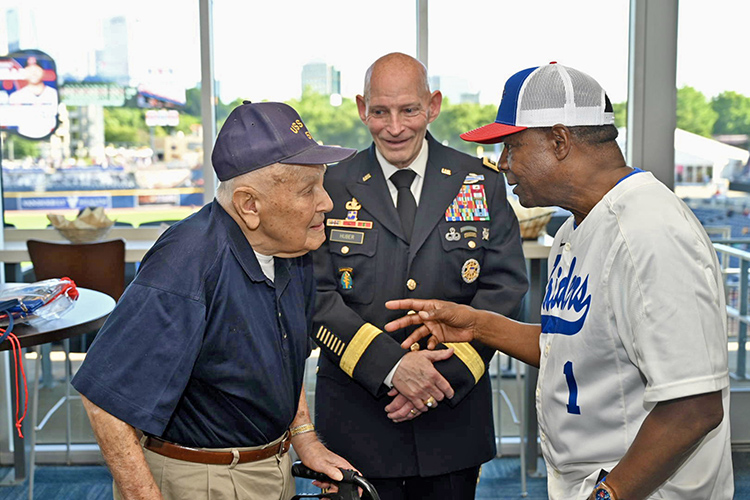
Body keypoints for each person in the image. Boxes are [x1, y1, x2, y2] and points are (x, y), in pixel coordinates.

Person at [384, 63, 734, 500]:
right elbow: (569, 344)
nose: (504, 165)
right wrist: (478, 325)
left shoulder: (650, 231)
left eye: (512, 147)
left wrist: (607, 495)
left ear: (560, 140)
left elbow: (693, 407)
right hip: (587, 480)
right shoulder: (574, 230)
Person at [72, 101, 359, 500]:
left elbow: (282, 356)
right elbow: (104, 400)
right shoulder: (187, 260)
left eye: (322, 184)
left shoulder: (293, 249)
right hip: (202, 481)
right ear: (249, 205)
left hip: (271, 468)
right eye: (309, 190)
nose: (326, 202)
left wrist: (305, 440)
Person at [311, 52, 528, 500]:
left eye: (409, 110)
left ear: (433, 105)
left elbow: (504, 291)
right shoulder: (330, 186)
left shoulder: (479, 182)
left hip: (452, 422)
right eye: (380, 112)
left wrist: (438, 381)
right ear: (360, 108)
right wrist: (391, 367)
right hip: (359, 427)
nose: (395, 127)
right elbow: (316, 295)